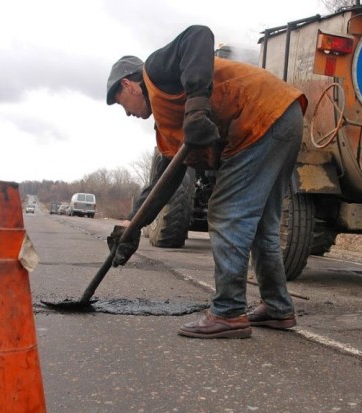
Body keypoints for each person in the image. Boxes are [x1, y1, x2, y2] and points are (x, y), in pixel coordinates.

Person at [106, 25, 306, 339]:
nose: (126, 113)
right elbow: (165, 182)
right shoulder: (166, 125)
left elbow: (198, 35)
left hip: (261, 117)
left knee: (227, 212)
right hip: (282, 115)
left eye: (120, 103)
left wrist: (197, 109)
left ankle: (227, 312)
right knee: (263, 226)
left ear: (128, 85)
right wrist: (133, 224)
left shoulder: (157, 71)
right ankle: (277, 307)